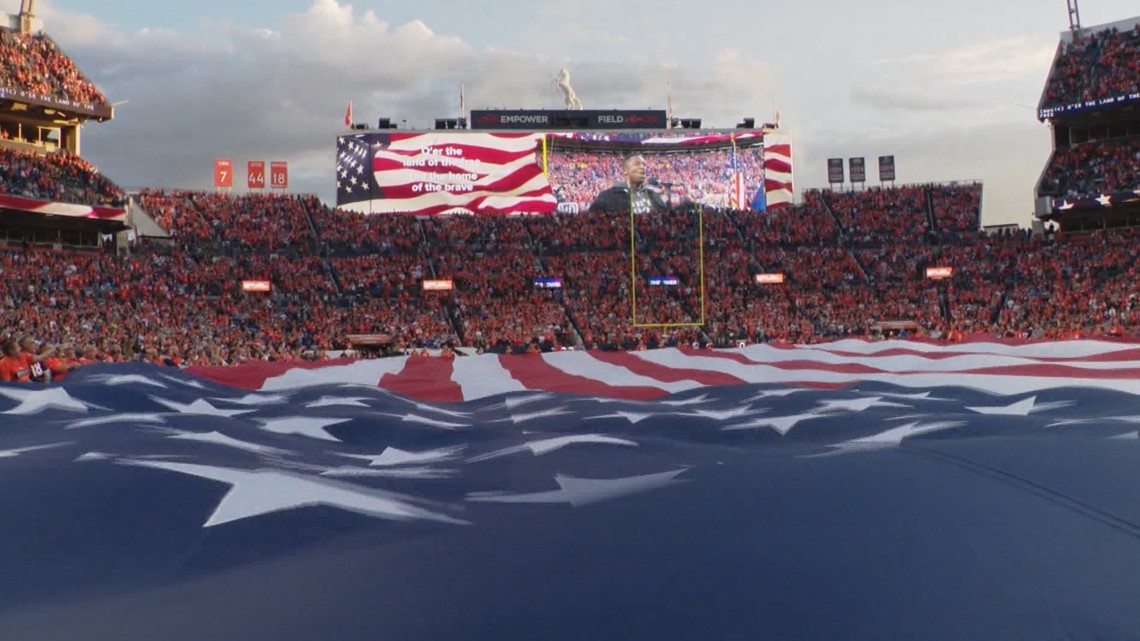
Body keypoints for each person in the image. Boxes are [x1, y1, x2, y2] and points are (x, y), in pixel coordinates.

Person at [589, 154, 668, 215]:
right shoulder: (607, 196)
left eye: (644, 164)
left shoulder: (653, 195)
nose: (642, 167)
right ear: (625, 171)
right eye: (637, 164)